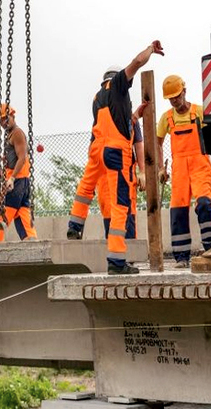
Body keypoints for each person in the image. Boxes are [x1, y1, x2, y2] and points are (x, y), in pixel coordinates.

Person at [69, 40, 164, 274]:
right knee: (121, 206)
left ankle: (75, 226)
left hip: (96, 151)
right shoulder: (119, 85)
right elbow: (137, 62)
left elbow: (113, 122)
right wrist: (151, 49)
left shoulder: (98, 97)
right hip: (116, 153)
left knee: (86, 187)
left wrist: (134, 116)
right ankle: (117, 262)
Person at [157, 75, 211, 268]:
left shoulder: (199, 113)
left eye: (176, 96)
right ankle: (181, 257)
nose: (174, 101)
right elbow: (157, 143)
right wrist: (161, 168)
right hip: (179, 170)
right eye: (171, 98)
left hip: (200, 165)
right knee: (178, 211)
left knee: (203, 204)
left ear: (184, 91)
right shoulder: (167, 118)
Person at [68, 100, 147, 240]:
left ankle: (123, 254)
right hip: (109, 175)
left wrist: (142, 171)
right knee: (113, 214)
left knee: (124, 213)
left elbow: (138, 144)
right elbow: (93, 148)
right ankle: (117, 254)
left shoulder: (126, 118)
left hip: (121, 173)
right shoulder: (104, 118)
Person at [0, 104, 38, 242]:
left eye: (6, 119)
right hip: (21, 182)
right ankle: (31, 240)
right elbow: (13, 161)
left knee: (0, 212)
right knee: (22, 213)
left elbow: (22, 158)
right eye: (1, 121)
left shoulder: (17, 133)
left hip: (17, 181)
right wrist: (2, 174)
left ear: (12, 116)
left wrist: (11, 178)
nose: (3, 123)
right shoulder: (10, 134)